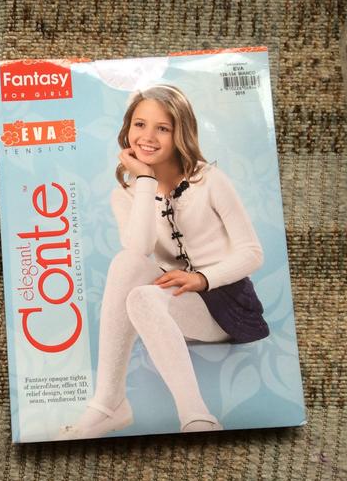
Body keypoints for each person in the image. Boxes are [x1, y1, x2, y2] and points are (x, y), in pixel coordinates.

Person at [60, 84, 268, 439]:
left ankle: (196, 415)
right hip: (174, 302)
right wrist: (144, 180)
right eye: (139, 124)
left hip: (225, 304)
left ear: (180, 133)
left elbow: (252, 252)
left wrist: (202, 279)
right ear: (127, 129)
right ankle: (109, 402)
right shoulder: (126, 194)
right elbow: (139, 249)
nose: (148, 137)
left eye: (162, 128)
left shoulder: (209, 180)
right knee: (127, 264)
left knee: (143, 295)